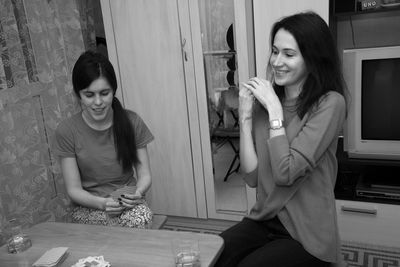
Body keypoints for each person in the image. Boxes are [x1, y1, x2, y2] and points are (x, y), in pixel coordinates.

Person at [215, 11, 347, 267]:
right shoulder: (263, 106)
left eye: (289, 54)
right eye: (274, 51)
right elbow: (253, 178)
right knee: (215, 255)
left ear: (313, 59)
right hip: (264, 218)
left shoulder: (330, 104)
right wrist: (244, 117)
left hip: (307, 231)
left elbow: (285, 173)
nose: (276, 62)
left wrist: (275, 109)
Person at [52, 50, 154, 228]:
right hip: (90, 206)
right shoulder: (66, 130)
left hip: (126, 202)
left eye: (104, 93)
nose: (98, 102)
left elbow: (144, 174)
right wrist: (102, 204)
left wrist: (138, 193)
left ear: (114, 90)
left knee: (140, 218)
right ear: (78, 95)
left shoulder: (132, 122)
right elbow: (73, 190)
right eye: (89, 95)